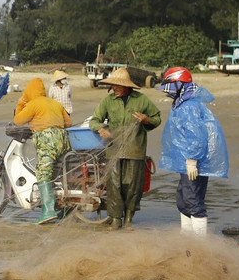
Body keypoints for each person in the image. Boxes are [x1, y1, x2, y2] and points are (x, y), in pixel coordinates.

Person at [155, 67, 228, 235]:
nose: (168, 91)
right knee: (183, 199)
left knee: (193, 200)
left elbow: (196, 135)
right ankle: (186, 236)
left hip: (193, 161)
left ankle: (199, 243)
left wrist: (192, 160)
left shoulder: (188, 107)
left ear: (180, 84)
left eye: (171, 86)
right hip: (187, 161)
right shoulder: (183, 104)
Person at [88, 67, 161, 230]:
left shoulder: (141, 100)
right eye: (113, 85)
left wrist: (146, 119)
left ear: (127, 87)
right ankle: (116, 219)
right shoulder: (108, 101)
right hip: (113, 150)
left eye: (118, 86)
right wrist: (101, 128)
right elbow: (94, 120)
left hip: (135, 149)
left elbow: (157, 119)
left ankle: (129, 218)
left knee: (132, 186)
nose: (114, 88)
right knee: (114, 186)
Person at [13, 77, 73, 224]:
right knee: (59, 173)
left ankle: (48, 211)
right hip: (63, 140)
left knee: (43, 173)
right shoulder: (55, 103)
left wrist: (21, 103)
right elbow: (69, 123)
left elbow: (18, 121)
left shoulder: (33, 104)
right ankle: (67, 208)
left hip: (47, 140)